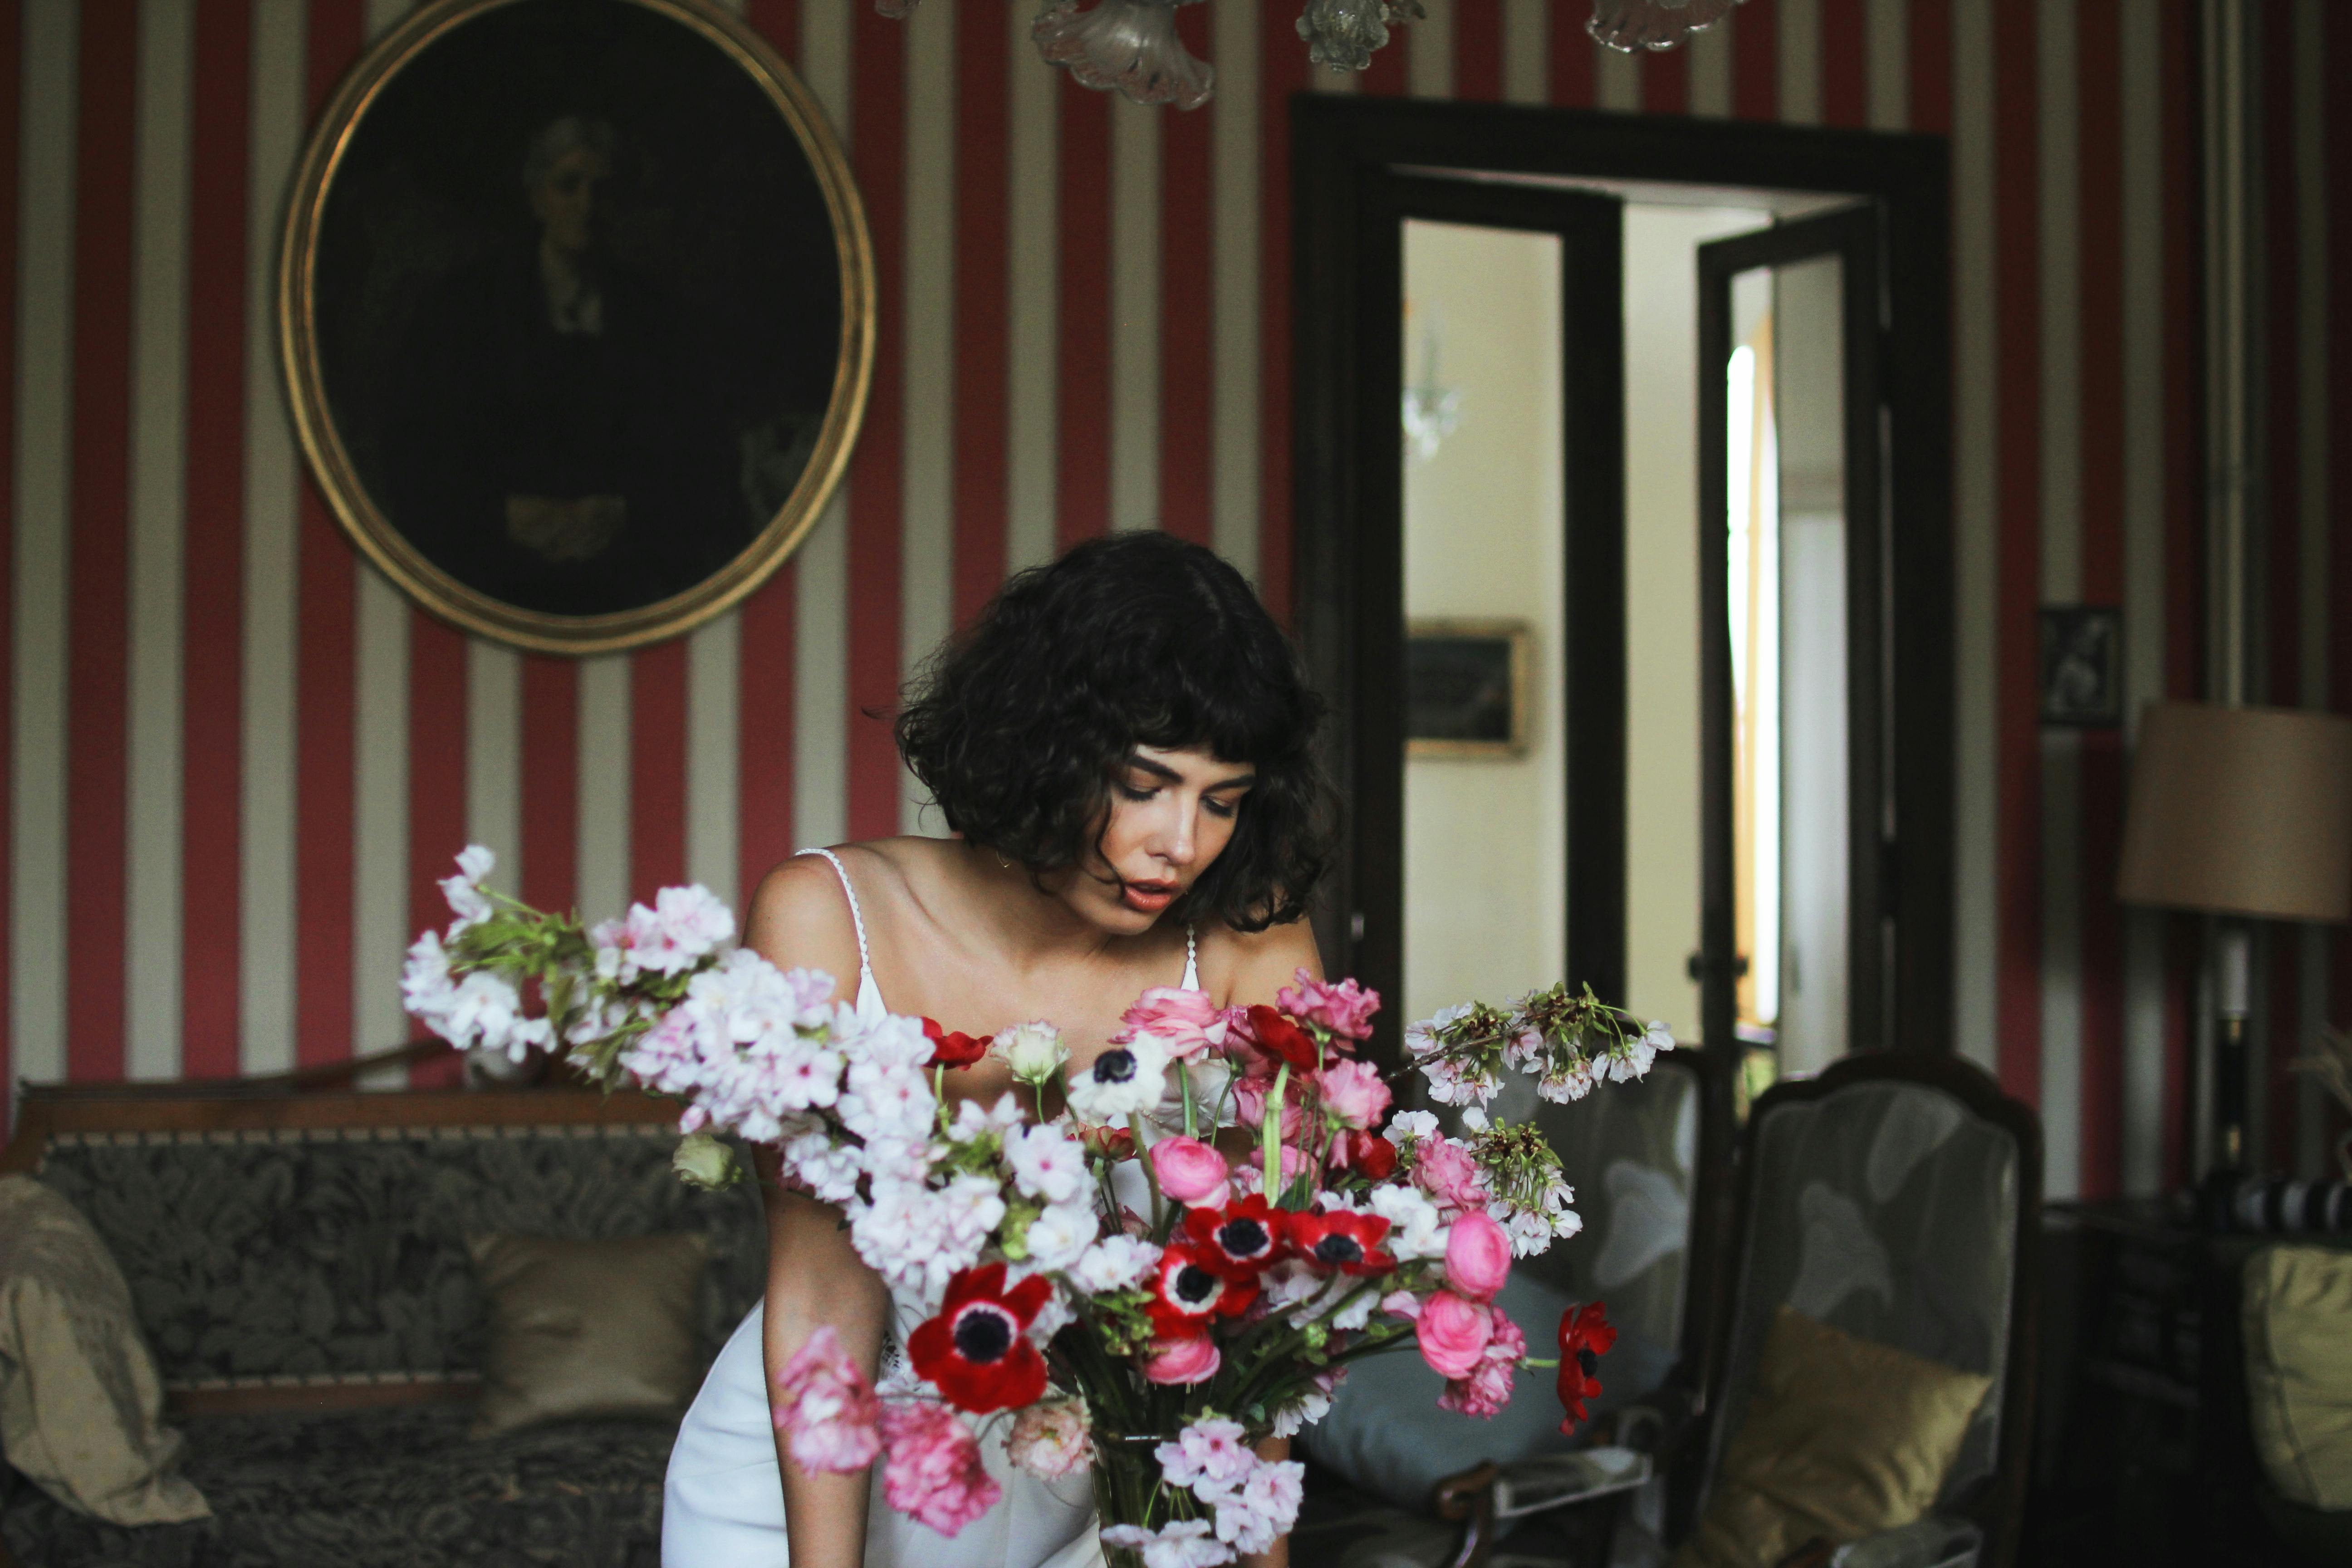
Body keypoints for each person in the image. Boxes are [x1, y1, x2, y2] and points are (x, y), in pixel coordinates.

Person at [662, 532, 1334, 1568]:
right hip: (816, 1483)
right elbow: (822, 1291)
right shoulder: (824, 918)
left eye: (1222, 800)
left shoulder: (1252, 944)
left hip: (1103, 1481)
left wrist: (1260, 1558)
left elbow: (1260, 1318)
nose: (1183, 844)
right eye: (1146, 783)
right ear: (1045, 747)